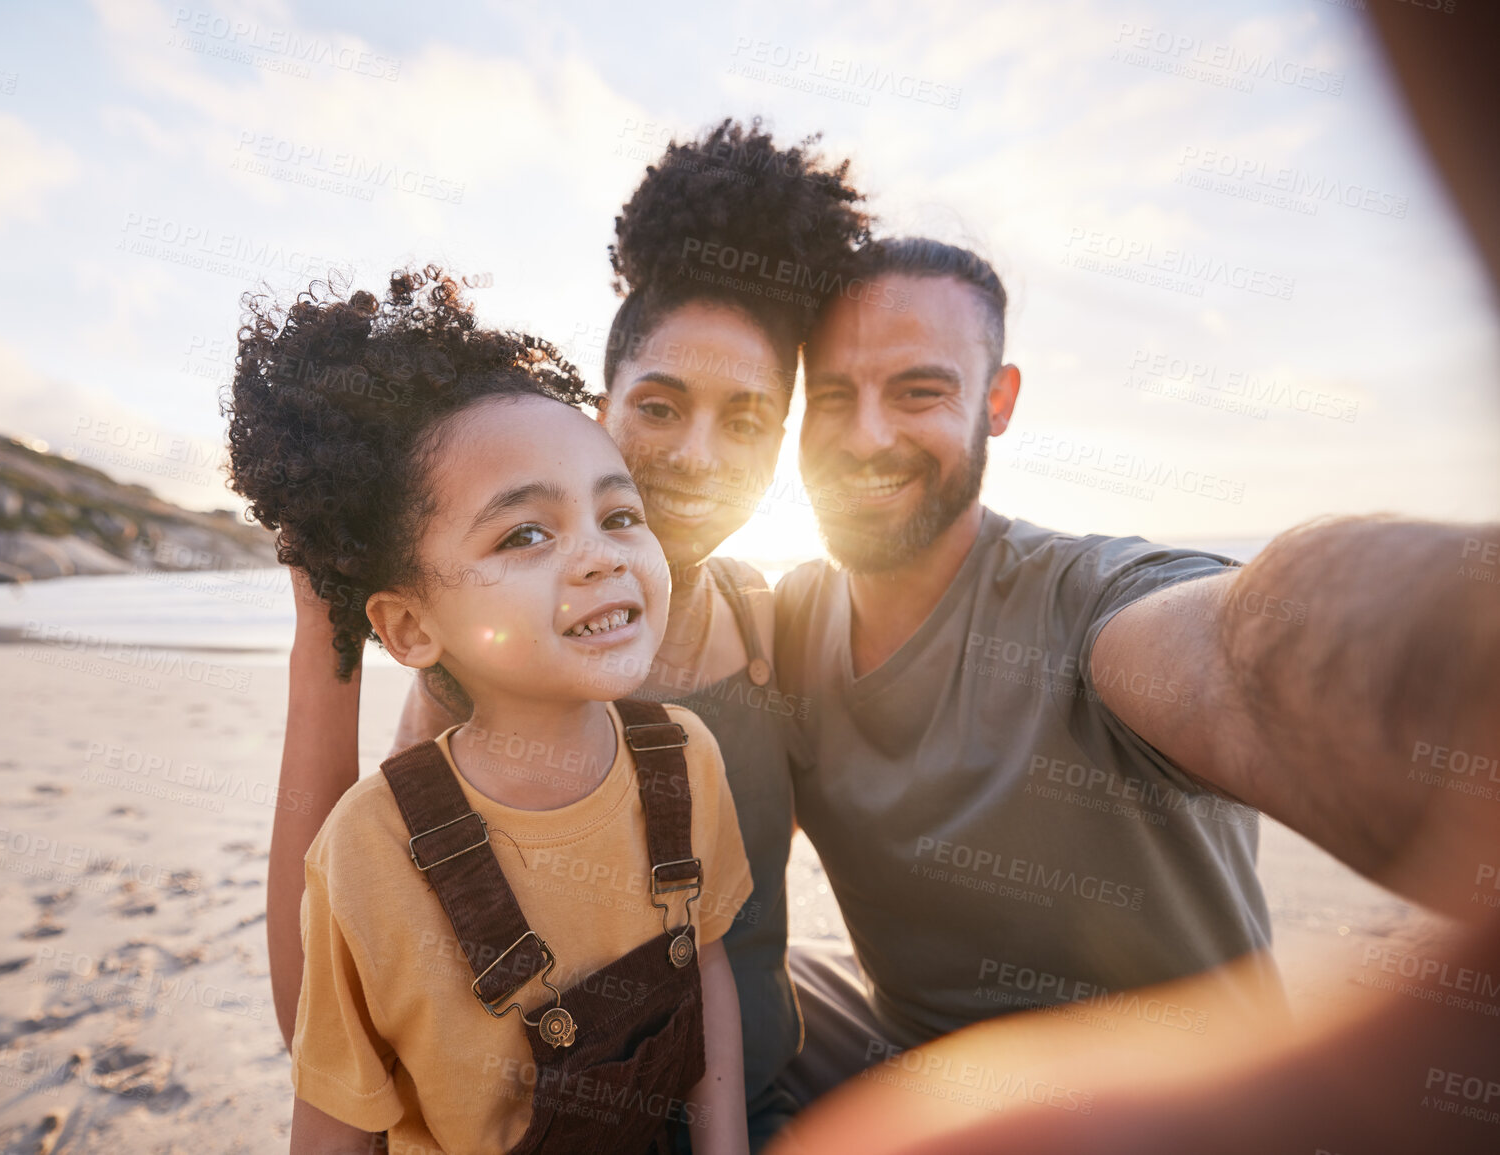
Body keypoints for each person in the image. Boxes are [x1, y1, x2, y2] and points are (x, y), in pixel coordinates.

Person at [769, 232, 1500, 1129]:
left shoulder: (1090, 606)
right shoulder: (791, 625)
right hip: (908, 1056)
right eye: (833, 395)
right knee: (680, 985)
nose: (866, 433)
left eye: (919, 390)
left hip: (1187, 1109)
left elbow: (1252, 652)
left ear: (997, 402)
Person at [265, 119, 871, 1152]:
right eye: (661, 404)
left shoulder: (776, 628)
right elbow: (332, 1004)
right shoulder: (486, 674)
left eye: (747, 420)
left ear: (782, 442)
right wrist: (323, 631)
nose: (696, 454)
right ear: (599, 408)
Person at [227, 267, 753, 1155]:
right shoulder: (368, 847)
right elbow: (334, 1112)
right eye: (524, 534)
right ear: (406, 624)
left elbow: (704, 972)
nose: (599, 556)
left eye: (619, 513)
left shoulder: (685, 761)